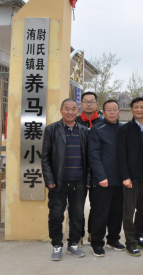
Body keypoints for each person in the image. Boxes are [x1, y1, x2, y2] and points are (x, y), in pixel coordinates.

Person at [41, 98, 89, 261]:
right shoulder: (52, 130)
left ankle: (73, 245)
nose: (70, 112)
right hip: (58, 183)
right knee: (55, 215)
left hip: (79, 182)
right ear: (61, 110)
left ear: (78, 111)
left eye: (73, 109)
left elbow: (88, 159)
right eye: (67, 109)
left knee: (77, 215)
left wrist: (87, 179)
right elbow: (45, 157)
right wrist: (49, 179)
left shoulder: (84, 131)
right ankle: (56, 245)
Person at [88, 100, 126, 257]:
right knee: (100, 212)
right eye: (108, 110)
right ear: (103, 112)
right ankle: (97, 242)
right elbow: (94, 155)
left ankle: (113, 239)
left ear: (119, 112)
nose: (112, 112)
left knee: (117, 211)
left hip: (121, 179)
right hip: (103, 179)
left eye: (114, 109)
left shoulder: (124, 129)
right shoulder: (97, 129)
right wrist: (101, 176)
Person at [118, 97, 143, 257]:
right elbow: (121, 155)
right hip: (130, 179)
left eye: (142, 107)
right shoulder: (125, 129)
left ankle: (140, 237)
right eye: (136, 107)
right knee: (128, 212)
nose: (139, 110)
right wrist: (125, 176)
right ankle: (130, 242)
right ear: (131, 109)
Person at [75, 91, 103, 246]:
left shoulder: (103, 123)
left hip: (98, 172)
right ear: (81, 104)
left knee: (97, 205)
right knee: (78, 205)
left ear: (96, 104)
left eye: (92, 101)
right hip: (79, 170)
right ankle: (78, 235)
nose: (89, 104)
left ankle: (94, 233)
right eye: (86, 101)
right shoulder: (75, 121)